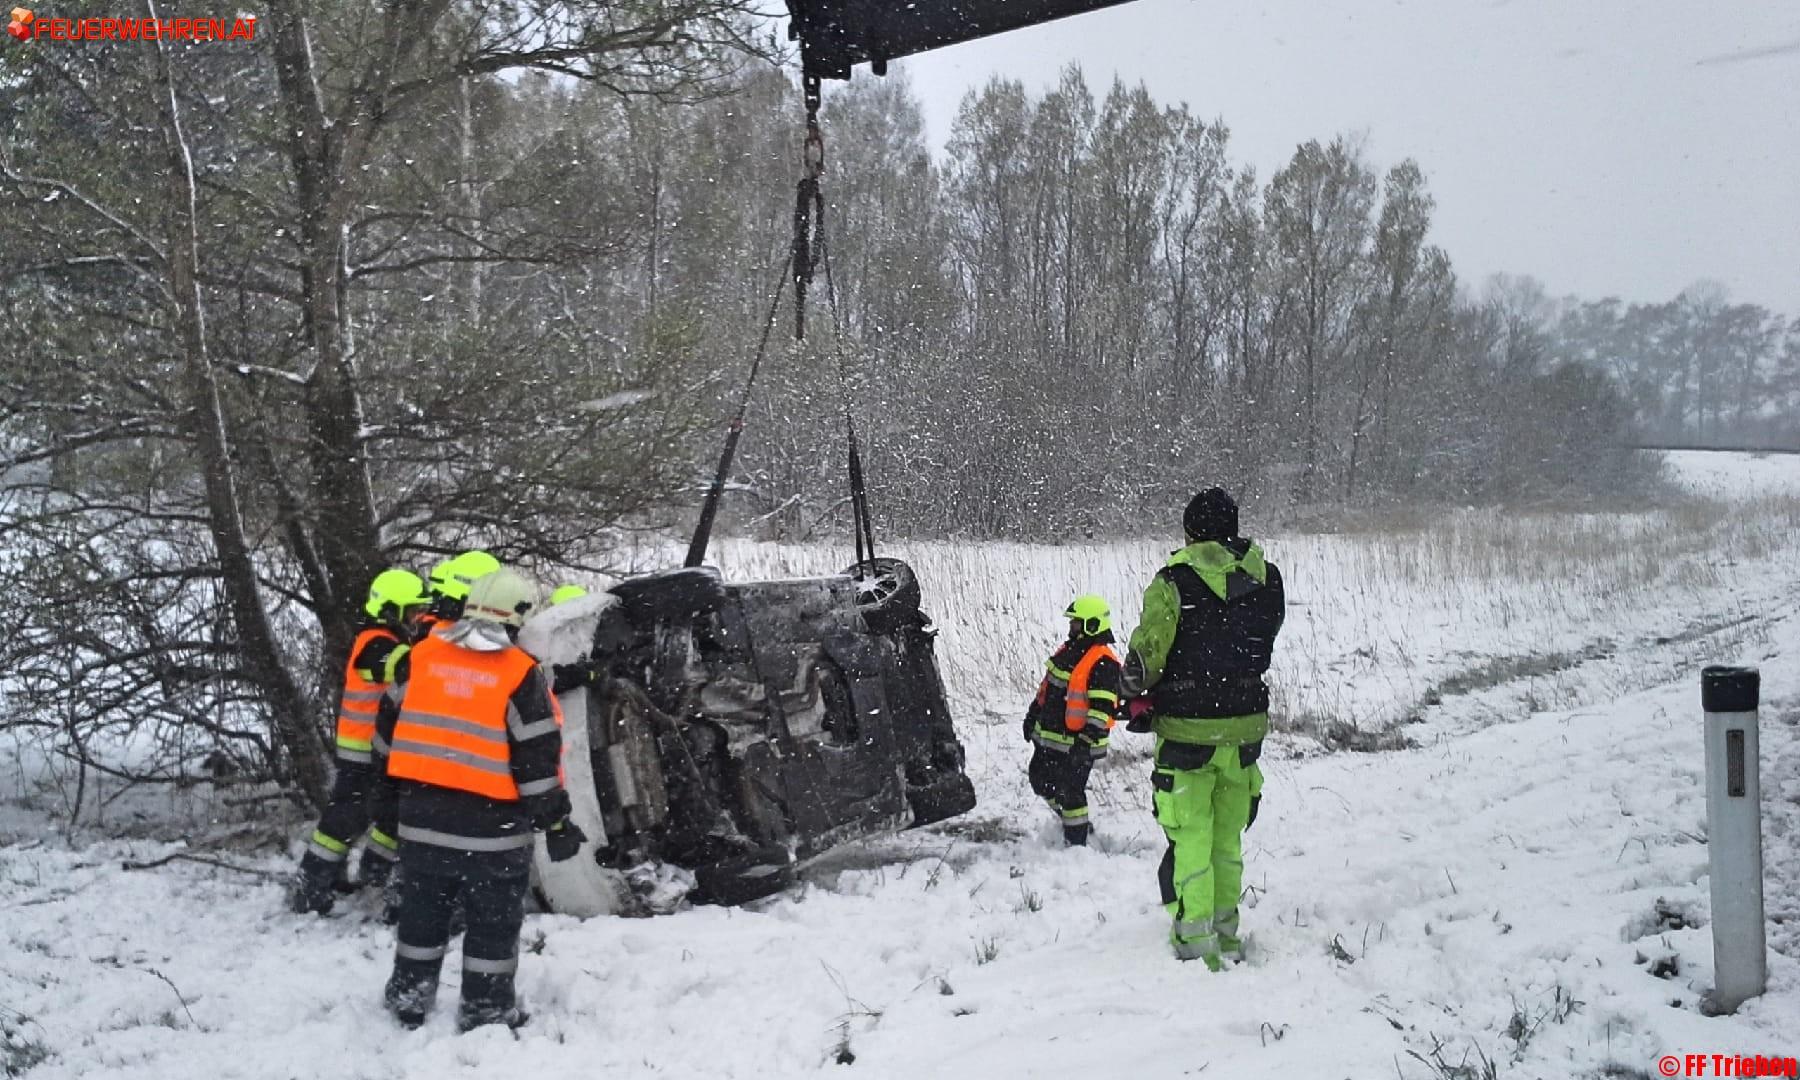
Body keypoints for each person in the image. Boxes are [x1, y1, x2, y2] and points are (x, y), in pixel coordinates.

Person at [373, 567, 586, 1031]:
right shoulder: (519, 674)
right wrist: (556, 824)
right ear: (520, 618)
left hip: (420, 824)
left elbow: (385, 740)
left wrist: (386, 806)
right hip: (492, 835)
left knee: (422, 915)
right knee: (492, 925)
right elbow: (536, 764)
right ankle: (485, 1009)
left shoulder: (422, 656)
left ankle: (409, 995)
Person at [1123, 487, 1284, 969]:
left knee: (1190, 834)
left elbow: (1146, 659)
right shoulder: (1267, 578)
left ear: (1191, 531)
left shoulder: (1172, 581)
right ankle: (1226, 930)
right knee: (1227, 837)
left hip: (1189, 732)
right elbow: (1262, 642)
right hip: (1246, 730)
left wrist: (1132, 688)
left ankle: (1195, 942)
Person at [290, 568, 429, 915]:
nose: (415, 619)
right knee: (345, 818)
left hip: (378, 751)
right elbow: (407, 667)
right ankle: (312, 882)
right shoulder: (375, 644)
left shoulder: (386, 640)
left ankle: (364, 872)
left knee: (379, 813)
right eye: (411, 611)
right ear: (390, 610)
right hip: (361, 751)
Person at [1022, 595, 1122, 846]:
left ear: (1092, 625)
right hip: (1051, 739)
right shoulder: (1067, 652)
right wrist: (1032, 715)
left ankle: (1077, 844)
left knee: (1070, 793)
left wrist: (1086, 739)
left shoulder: (1103, 661)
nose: (1071, 628)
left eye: (1077, 623)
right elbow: (1048, 690)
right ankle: (1072, 822)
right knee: (1039, 780)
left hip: (1080, 743)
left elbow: (1102, 708)